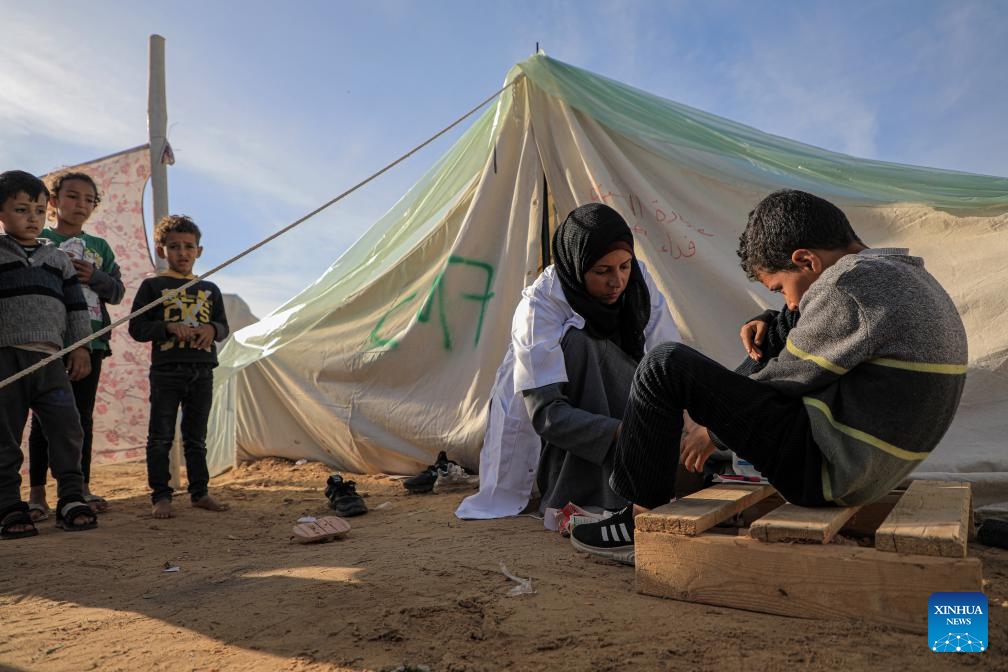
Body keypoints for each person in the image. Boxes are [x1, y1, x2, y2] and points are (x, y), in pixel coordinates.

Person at [571, 189, 968, 564]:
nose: (787, 300)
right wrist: (773, 321)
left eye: (779, 288)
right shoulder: (900, 274)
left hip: (831, 470)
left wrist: (711, 429)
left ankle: (638, 521)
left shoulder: (849, 286)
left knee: (663, 366)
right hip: (871, 465)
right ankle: (649, 501)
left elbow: (785, 379)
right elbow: (811, 334)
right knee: (784, 326)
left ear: (806, 260)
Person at [456, 203, 679, 519]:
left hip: (628, 408)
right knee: (580, 342)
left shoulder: (639, 283)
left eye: (624, 266)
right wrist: (621, 432)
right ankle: (597, 489)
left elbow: (667, 359)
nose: (617, 281)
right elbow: (547, 414)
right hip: (573, 419)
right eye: (602, 271)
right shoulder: (539, 308)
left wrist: (683, 422)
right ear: (576, 266)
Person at [0, 170, 98, 539]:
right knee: (4, 435)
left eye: (39, 210)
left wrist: (81, 348)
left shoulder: (56, 260)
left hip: (51, 361)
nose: (32, 218)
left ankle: (72, 498)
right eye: (21, 209)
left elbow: (76, 309)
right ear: (2, 213)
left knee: (67, 429)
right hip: (6, 359)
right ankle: (9, 506)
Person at [27, 172, 125, 519]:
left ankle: (79, 488)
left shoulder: (100, 248)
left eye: (88, 199)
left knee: (81, 418)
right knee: (44, 418)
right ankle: (37, 493)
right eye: (72, 196)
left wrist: (94, 277)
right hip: (49, 342)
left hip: (93, 342)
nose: (80, 205)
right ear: (53, 201)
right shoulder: (38, 239)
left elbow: (117, 292)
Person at [128, 215, 230, 519]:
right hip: (166, 371)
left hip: (202, 371)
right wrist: (169, 328)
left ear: (199, 251)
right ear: (162, 251)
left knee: (196, 436)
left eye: (188, 246)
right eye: (174, 246)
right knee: (160, 436)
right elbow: (137, 327)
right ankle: (161, 495)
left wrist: (211, 329)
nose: (182, 253)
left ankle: (200, 493)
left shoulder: (210, 288)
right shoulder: (153, 286)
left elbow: (223, 326)